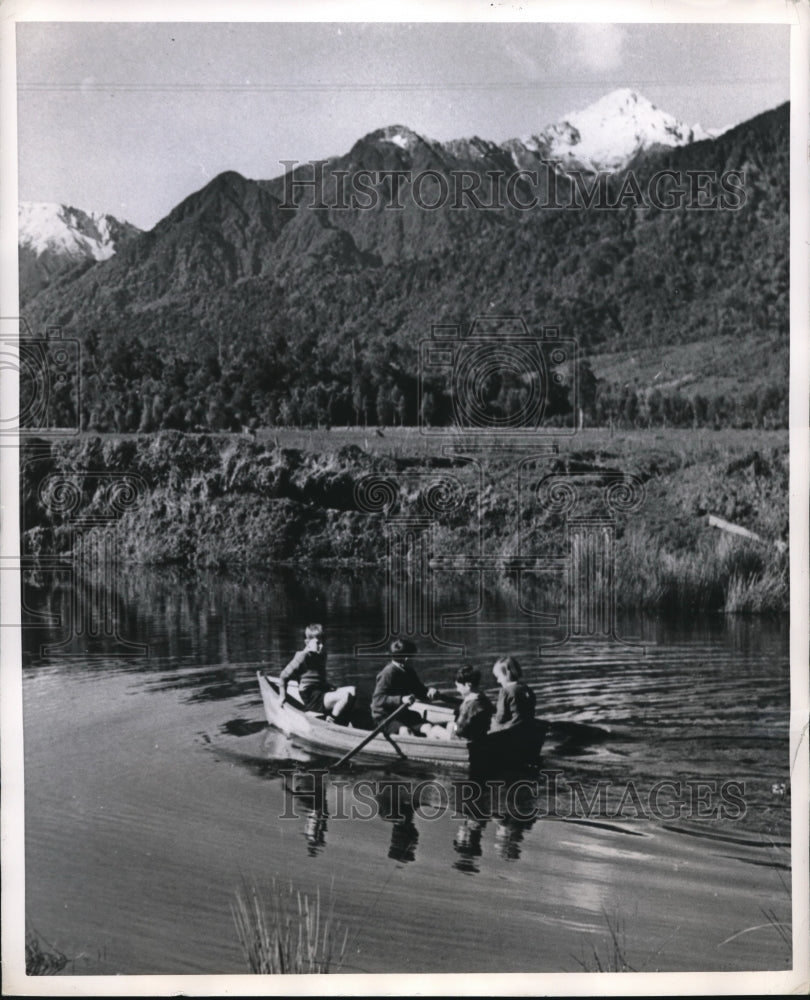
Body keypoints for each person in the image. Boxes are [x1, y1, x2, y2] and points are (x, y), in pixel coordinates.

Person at [279, 624, 356, 724]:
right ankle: (332, 721)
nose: (322, 646)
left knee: (353, 690)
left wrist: (330, 686)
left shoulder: (322, 654)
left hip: (321, 691)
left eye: (323, 642)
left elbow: (319, 677)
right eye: (318, 643)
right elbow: (283, 676)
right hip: (311, 696)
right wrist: (282, 696)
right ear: (307, 642)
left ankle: (343, 718)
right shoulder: (302, 656)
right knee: (345, 696)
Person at [371, 639, 438, 736]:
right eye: (413, 657)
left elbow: (419, 691)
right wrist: (401, 699)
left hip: (402, 714)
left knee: (428, 727)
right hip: (385, 717)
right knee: (405, 731)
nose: (414, 660)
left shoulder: (409, 671)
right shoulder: (388, 673)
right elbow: (378, 699)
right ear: (407, 659)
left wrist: (429, 692)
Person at [489, 655, 545, 769]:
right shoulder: (527, 689)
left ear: (507, 674)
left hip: (511, 732)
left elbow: (501, 717)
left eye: (498, 677)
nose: (498, 681)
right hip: (529, 731)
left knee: (488, 723)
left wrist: (493, 720)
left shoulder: (505, 691)